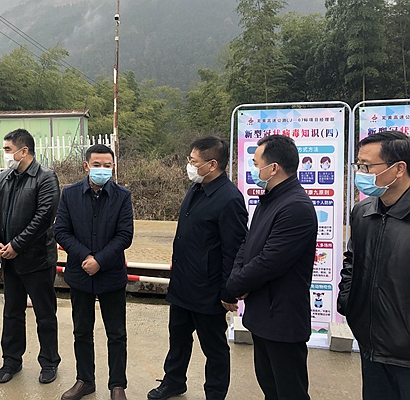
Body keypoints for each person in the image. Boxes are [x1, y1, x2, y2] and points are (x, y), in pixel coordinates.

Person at [147, 137, 248, 400]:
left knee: (214, 347)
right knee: (178, 339)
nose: (190, 166)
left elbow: (234, 250)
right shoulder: (197, 187)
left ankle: (214, 393)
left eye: (194, 161)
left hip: (208, 290)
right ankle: (173, 381)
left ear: (212, 164)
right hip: (183, 283)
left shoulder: (229, 199)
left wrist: (228, 290)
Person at [226, 134, 317, 400]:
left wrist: (234, 285)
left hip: (282, 319)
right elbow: (248, 243)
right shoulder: (269, 200)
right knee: (270, 388)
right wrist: (236, 277)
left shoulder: (296, 207)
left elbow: (270, 262)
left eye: (256, 164)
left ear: (273, 167)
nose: (254, 170)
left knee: (289, 392)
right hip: (262, 315)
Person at [55, 144, 134, 400]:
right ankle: (85, 381)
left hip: (111, 274)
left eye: (107, 165)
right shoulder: (70, 194)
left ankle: (117, 385)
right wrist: (85, 257)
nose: (102, 169)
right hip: (80, 273)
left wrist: (99, 260)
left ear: (113, 167)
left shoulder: (122, 196)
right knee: (82, 331)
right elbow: (61, 231)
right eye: (97, 165)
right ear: (86, 166)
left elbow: (125, 235)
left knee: (116, 333)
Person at [338, 130, 410, 400]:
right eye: (359, 166)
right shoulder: (363, 212)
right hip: (370, 346)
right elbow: (352, 260)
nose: (361, 173)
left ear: (398, 169)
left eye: (367, 167)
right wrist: (348, 301)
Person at [0, 128, 61, 385]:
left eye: (8, 150)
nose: (5, 155)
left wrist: (17, 245)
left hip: (37, 260)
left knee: (45, 314)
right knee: (12, 312)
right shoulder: (5, 178)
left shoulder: (46, 178)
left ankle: (49, 362)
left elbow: (44, 217)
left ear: (24, 151)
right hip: (9, 259)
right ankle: (11, 361)